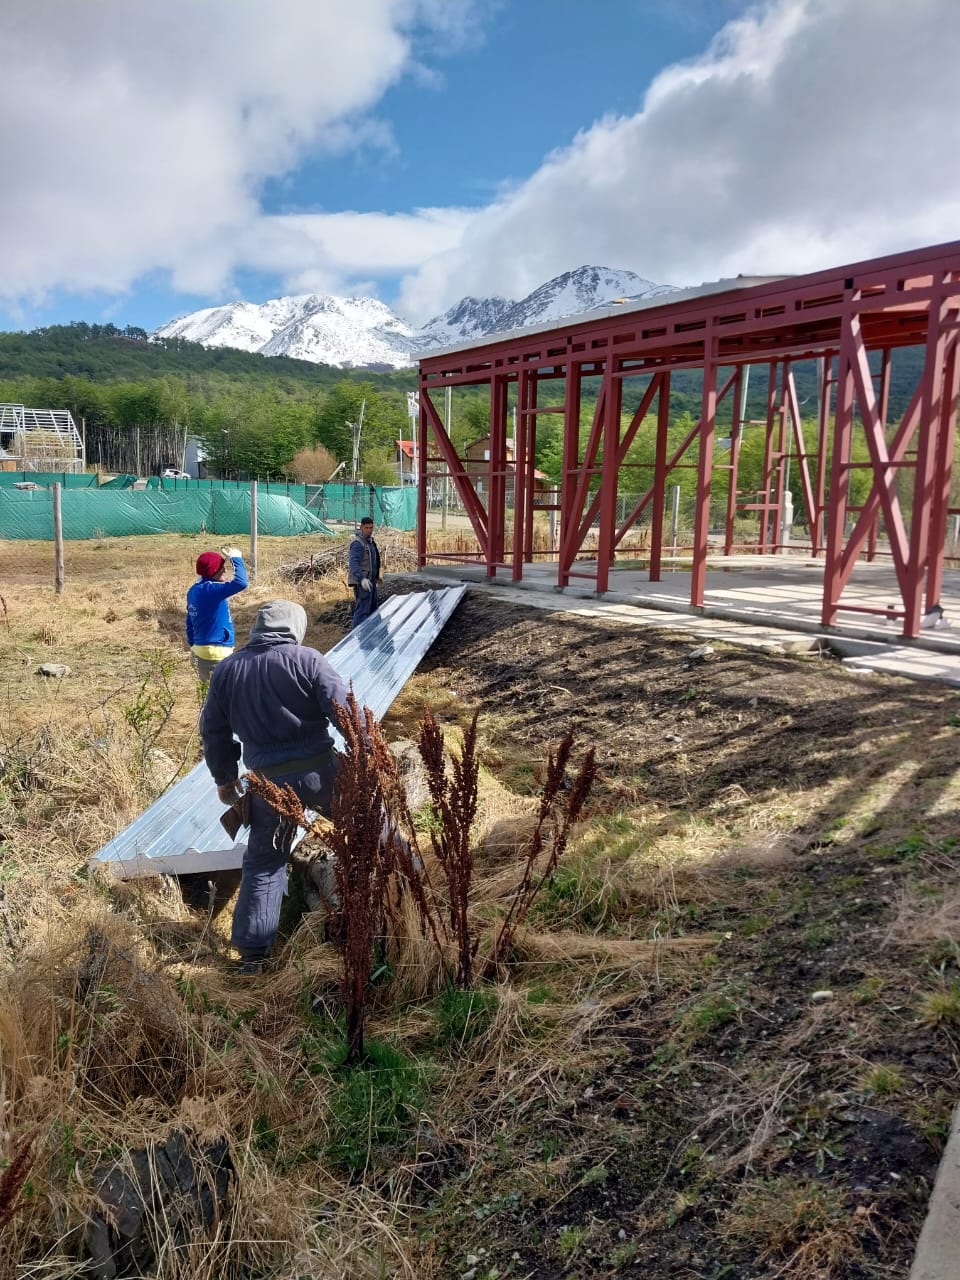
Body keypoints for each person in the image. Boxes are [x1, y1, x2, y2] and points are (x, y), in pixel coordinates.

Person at [200, 599, 349, 975]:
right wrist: (368, 755)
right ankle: (408, 880)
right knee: (371, 825)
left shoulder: (227, 671)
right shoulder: (307, 660)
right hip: (321, 773)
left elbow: (213, 733)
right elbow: (344, 710)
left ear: (256, 631)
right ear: (294, 627)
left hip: (268, 787)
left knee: (265, 863)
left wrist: (225, 779)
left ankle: (253, 957)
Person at [185, 547, 248, 682]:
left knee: (207, 695)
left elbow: (189, 621)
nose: (225, 570)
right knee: (227, 696)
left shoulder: (194, 590)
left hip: (198, 651)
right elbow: (241, 582)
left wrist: (194, 644)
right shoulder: (212, 590)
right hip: (218, 653)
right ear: (214, 571)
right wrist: (236, 559)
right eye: (222, 567)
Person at [347, 515, 382, 629]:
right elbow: (354, 563)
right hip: (362, 583)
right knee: (362, 611)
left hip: (371, 581)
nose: (369, 530)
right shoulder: (358, 544)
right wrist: (362, 579)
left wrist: (376, 577)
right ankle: (356, 637)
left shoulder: (370, 542)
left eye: (371, 528)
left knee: (373, 609)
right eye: (366, 528)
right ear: (361, 527)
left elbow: (374, 561)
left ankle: (371, 635)